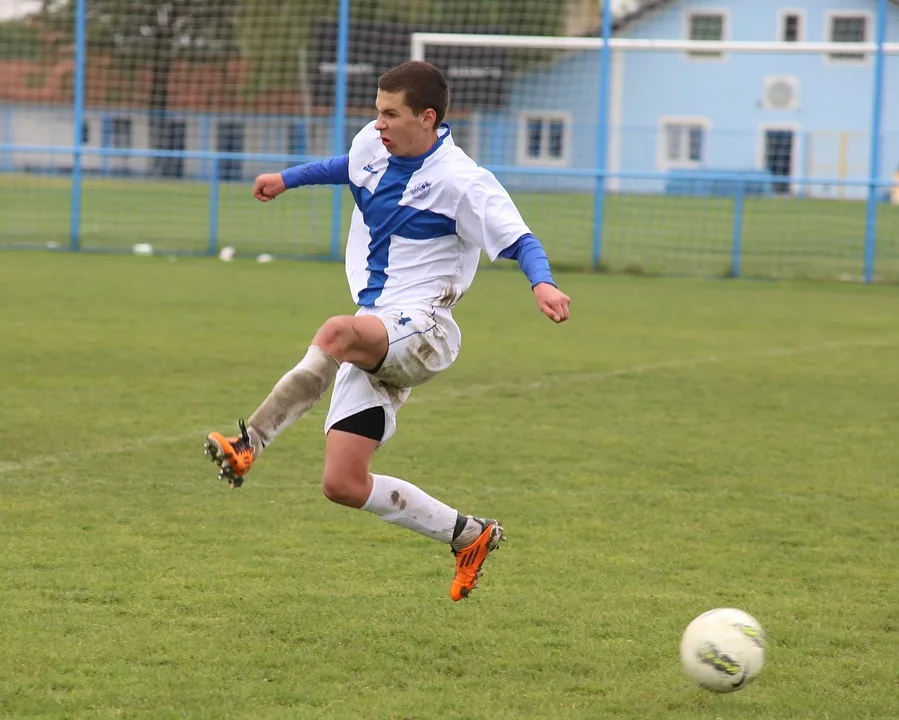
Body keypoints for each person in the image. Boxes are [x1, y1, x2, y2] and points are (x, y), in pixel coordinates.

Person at [205, 60, 571, 602]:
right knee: (343, 484)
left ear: (427, 118)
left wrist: (542, 284)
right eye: (377, 111)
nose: (379, 123)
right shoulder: (375, 145)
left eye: (390, 114)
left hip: (423, 327)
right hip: (377, 328)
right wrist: (288, 179)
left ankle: (247, 443)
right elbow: (347, 166)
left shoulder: (463, 181)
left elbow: (521, 239)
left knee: (336, 331)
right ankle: (468, 535)